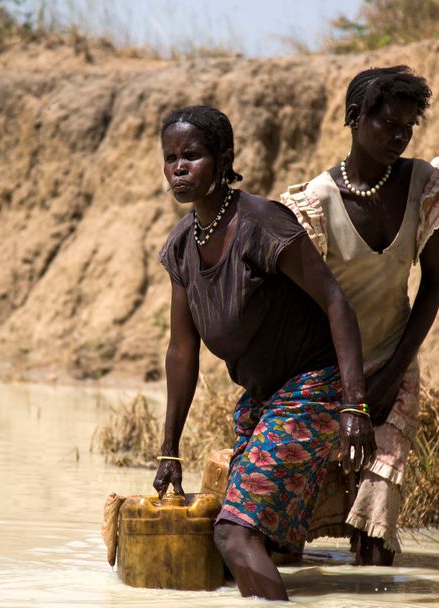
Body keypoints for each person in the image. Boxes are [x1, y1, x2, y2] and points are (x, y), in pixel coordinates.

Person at [152, 105, 376, 601]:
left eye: (193, 156)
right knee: (249, 548)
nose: (179, 168)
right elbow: (181, 350)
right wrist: (170, 449)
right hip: (262, 397)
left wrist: (354, 406)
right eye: (170, 158)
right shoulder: (181, 246)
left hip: (312, 387)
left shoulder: (260, 223)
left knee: (233, 534)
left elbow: (337, 303)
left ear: (223, 158)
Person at [280, 66, 439, 566]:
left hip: (395, 356)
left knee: (378, 503)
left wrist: (392, 374)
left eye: (408, 126)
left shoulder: (423, 187)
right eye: (388, 123)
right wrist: (350, 394)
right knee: (293, 508)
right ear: (353, 118)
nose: (400, 136)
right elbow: (303, 304)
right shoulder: (316, 204)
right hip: (326, 370)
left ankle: (371, 594)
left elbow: (433, 284)